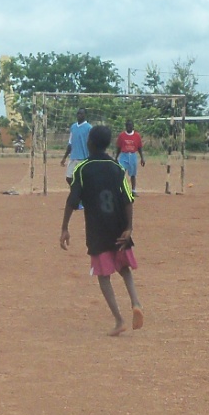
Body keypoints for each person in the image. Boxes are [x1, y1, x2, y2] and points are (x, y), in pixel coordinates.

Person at [61, 124, 143, 336]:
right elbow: (128, 199)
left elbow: (72, 201)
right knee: (124, 268)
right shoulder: (117, 168)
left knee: (103, 275)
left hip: (97, 229)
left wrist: (65, 228)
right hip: (119, 226)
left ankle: (119, 320)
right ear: (108, 144)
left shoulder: (82, 169)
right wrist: (129, 227)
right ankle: (136, 302)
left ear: (89, 143)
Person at [59, 108, 92, 182]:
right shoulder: (73, 127)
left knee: (82, 179)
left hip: (84, 158)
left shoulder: (89, 128)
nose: (79, 115)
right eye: (78, 113)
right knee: (69, 178)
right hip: (73, 157)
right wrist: (64, 157)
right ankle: (76, 189)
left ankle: (80, 189)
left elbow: (92, 144)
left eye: (81, 114)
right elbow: (70, 143)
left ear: (85, 115)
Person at [116, 119, 146, 191]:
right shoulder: (122, 135)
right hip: (124, 155)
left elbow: (139, 147)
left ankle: (133, 190)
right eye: (127, 125)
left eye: (130, 125)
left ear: (133, 126)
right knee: (121, 173)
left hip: (133, 155)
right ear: (125, 126)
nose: (129, 127)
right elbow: (119, 147)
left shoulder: (137, 136)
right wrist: (116, 157)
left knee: (133, 174)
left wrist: (142, 158)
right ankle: (120, 189)